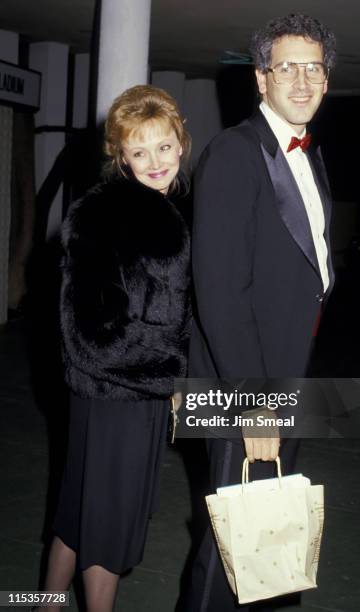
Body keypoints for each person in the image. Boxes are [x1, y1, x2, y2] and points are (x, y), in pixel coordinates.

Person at [184, 13, 336, 612]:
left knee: (271, 542)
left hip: (284, 371)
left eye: (314, 68)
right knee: (229, 554)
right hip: (240, 384)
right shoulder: (234, 154)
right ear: (260, 79)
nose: (302, 82)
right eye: (286, 68)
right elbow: (219, 292)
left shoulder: (306, 155)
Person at [38, 85, 191, 612]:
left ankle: (45, 602)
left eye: (164, 146)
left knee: (83, 508)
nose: (155, 161)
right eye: (139, 150)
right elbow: (92, 333)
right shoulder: (101, 214)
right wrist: (172, 372)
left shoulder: (163, 208)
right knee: (109, 521)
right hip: (117, 396)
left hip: (123, 394)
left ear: (181, 144)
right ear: (120, 155)